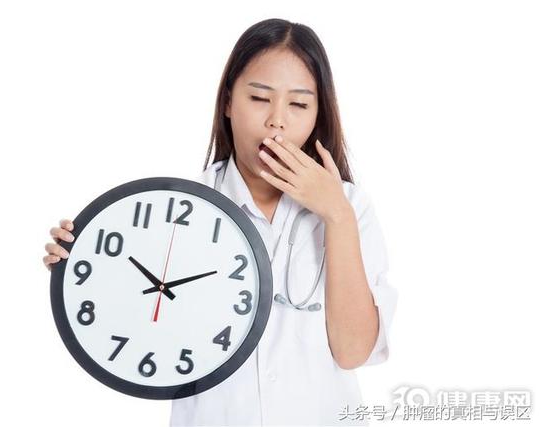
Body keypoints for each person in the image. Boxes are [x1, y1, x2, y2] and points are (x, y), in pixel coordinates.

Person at [43, 18, 398, 427]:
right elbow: (137, 313)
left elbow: (353, 352)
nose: (277, 121)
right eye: (259, 98)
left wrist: (336, 215)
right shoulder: (177, 211)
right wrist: (83, 265)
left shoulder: (350, 208)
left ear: (318, 114)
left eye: (298, 104)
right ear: (228, 102)